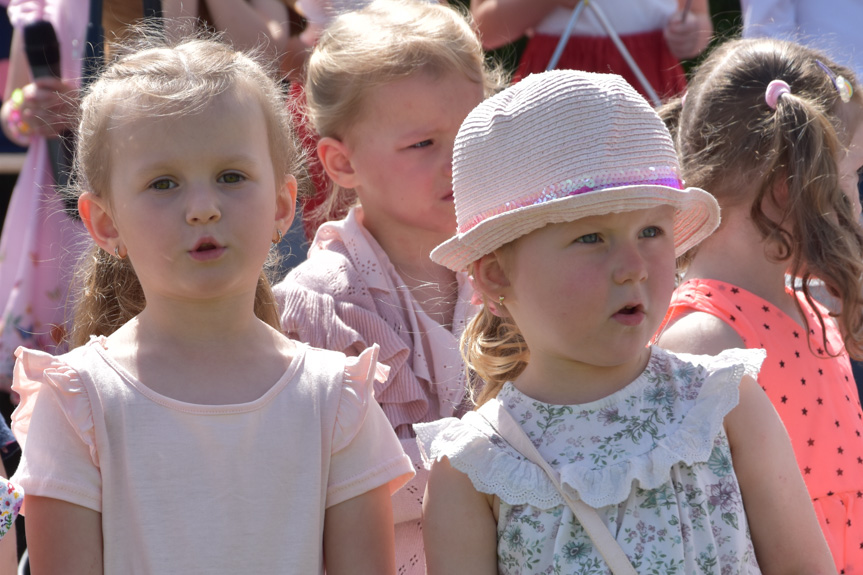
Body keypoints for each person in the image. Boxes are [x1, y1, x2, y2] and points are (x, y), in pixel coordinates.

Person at [9, 32, 414, 574]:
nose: (202, 207)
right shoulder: (76, 403)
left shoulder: (337, 399)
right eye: (163, 183)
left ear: (281, 204)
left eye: (231, 176)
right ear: (105, 224)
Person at [417, 69, 836, 574]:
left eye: (652, 230)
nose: (634, 265)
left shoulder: (720, 404)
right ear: (497, 275)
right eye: (591, 237)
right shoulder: (477, 467)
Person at [272, 1, 502, 572]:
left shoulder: (510, 269)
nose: (456, 161)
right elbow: (320, 486)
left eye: (472, 131)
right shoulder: (323, 307)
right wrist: (497, 452)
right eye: (422, 144)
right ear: (341, 163)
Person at [655, 38, 863, 573]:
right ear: (786, 189)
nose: (857, 202)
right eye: (849, 179)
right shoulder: (707, 341)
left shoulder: (806, 306)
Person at [470, 0, 712, 101]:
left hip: (652, 78)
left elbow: (699, 16)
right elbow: (484, 29)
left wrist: (690, 34)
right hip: (556, 85)